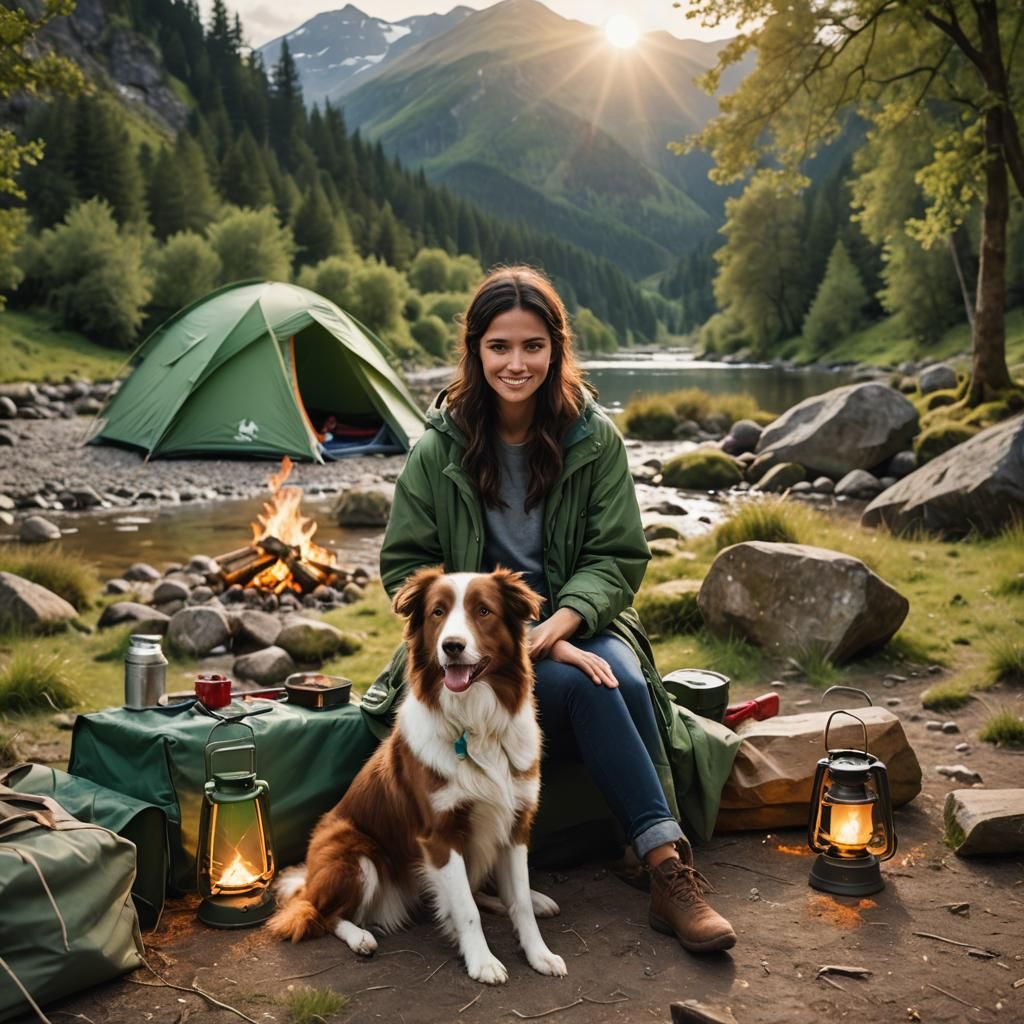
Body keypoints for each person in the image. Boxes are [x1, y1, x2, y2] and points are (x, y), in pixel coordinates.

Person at [376, 265, 736, 954]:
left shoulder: (593, 438)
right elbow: (404, 568)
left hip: (579, 619)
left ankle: (662, 867)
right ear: (476, 351)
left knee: (622, 679)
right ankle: (666, 866)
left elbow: (617, 557)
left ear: (556, 348)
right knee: (589, 688)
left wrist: (557, 629)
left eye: (533, 346)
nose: (517, 363)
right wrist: (492, 630)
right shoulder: (438, 446)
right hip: (470, 640)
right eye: (500, 346)